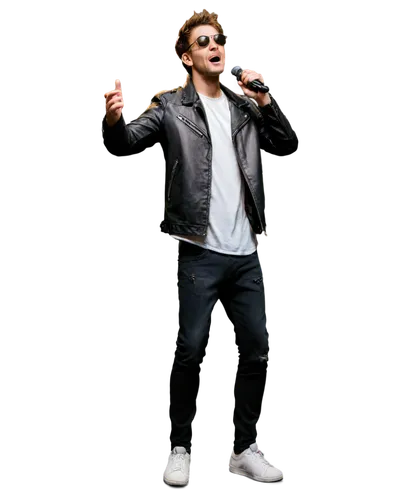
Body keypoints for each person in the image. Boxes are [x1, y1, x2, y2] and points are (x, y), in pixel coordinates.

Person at [102, 8, 299, 487]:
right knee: (190, 350)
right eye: (205, 42)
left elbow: (290, 148)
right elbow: (128, 144)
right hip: (198, 250)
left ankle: (246, 449)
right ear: (186, 58)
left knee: (256, 349)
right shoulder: (171, 107)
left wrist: (267, 99)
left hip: (248, 250)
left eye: (220, 41)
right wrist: (112, 122)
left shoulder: (247, 105)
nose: (217, 47)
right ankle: (179, 450)